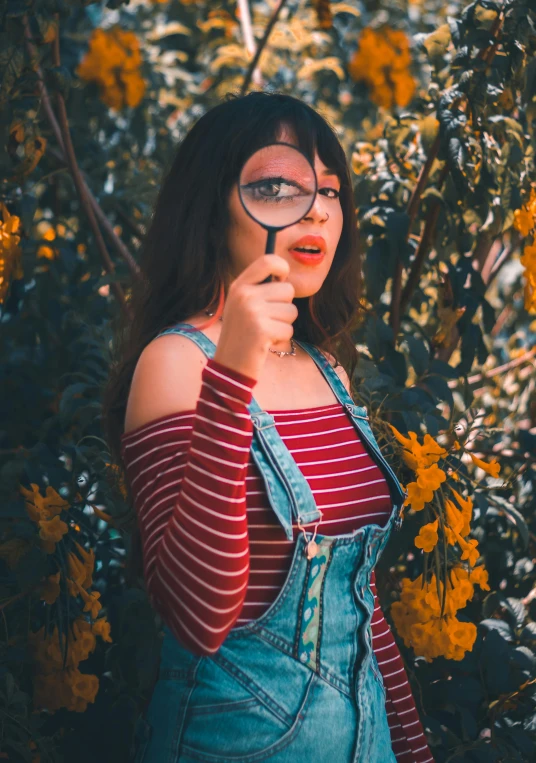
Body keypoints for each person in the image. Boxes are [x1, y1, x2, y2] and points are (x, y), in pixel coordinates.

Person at [103, 91, 433, 763]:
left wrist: (415, 749)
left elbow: (360, 606)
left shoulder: (327, 370)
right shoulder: (174, 363)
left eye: (332, 190)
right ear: (214, 205)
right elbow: (197, 617)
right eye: (279, 186)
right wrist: (232, 372)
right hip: (236, 745)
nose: (317, 208)